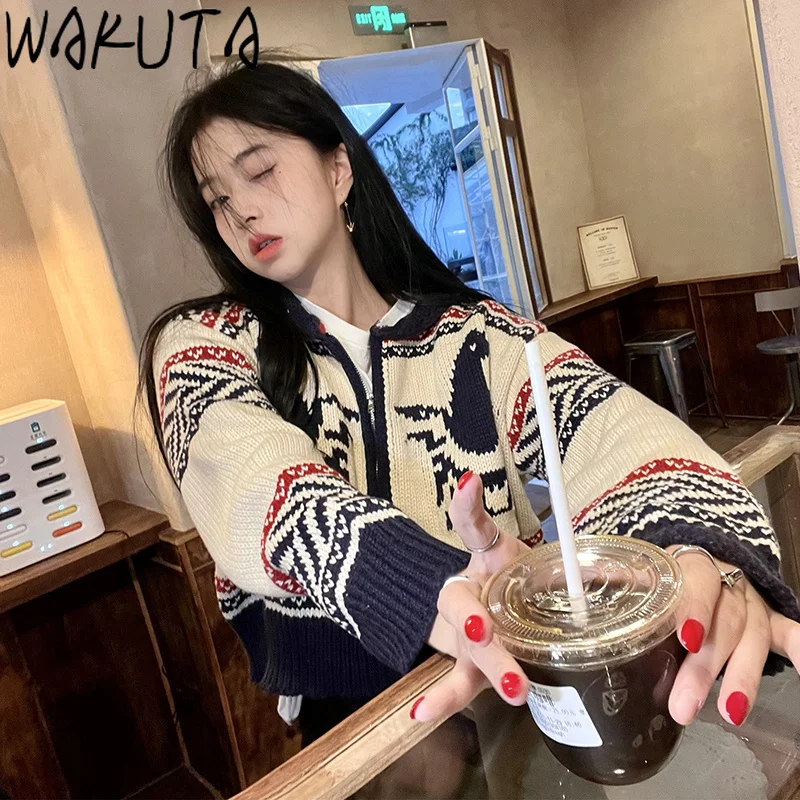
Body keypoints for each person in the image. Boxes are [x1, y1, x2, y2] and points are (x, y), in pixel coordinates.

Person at [139, 56, 800, 745]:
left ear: (338, 169)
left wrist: (697, 546)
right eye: (217, 200)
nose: (241, 210)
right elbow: (247, 476)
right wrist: (420, 583)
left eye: (259, 170)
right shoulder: (204, 345)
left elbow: (611, 426)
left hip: (515, 690)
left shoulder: (480, 337)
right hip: (355, 725)